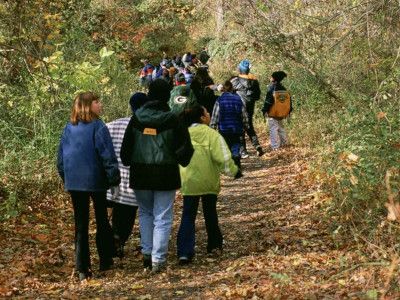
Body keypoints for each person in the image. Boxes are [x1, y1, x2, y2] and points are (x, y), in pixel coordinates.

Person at [120, 79, 194, 273]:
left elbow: (125, 151)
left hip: (140, 173)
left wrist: (130, 160)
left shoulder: (136, 119)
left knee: (145, 213)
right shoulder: (173, 119)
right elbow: (185, 148)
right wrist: (179, 158)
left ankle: (147, 254)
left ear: (149, 94)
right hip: (165, 174)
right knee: (162, 216)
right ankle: (158, 260)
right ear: (167, 95)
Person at [57, 92, 121, 281]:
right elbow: (107, 155)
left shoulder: (69, 127)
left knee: (81, 225)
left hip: (75, 182)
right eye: (96, 102)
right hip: (96, 181)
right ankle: (105, 260)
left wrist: (66, 177)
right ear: (87, 105)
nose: (100, 104)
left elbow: (60, 159)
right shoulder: (98, 126)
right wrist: (114, 179)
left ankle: (82, 267)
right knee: (102, 219)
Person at [177, 104, 239, 265]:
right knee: (210, 213)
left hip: (188, 181)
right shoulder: (212, 135)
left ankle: (184, 252)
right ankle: (214, 245)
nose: (210, 114)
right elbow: (223, 158)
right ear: (202, 117)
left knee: (188, 215)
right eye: (207, 112)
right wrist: (233, 171)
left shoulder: (183, 134)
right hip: (208, 181)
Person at [106, 92, 149, 258]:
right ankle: (119, 240)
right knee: (127, 216)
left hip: (110, 182)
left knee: (110, 214)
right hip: (132, 183)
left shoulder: (111, 125)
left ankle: (112, 241)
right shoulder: (144, 127)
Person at [210, 80, 248, 173]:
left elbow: (215, 115)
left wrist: (212, 127)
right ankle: (236, 160)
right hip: (237, 127)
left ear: (223, 90)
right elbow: (244, 114)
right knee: (236, 144)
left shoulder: (219, 100)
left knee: (226, 146)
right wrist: (246, 125)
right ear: (232, 89)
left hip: (224, 128)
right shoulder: (238, 99)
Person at [231, 59, 264, 158]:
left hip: (239, 108)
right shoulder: (255, 81)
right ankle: (257, 146)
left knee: (240, 128)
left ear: (240, 69)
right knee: (249, 126)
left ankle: (244, 151)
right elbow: (257, 96)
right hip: (250, 108)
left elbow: (229, 91)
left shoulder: (235, 81)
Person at [261, 71, 292, 150]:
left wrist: (264, 110)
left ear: (274, 78)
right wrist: (288, 111)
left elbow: (268, 101)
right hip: (282, 112)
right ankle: (284, 143)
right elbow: (289, 101)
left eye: (271, 76)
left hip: (273, 112)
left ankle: (275, 147)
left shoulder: (272, 88)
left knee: (273, 129)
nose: (270, 77)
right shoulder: (283, 88)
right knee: (281, 128)